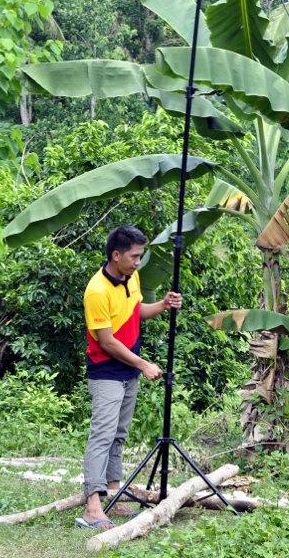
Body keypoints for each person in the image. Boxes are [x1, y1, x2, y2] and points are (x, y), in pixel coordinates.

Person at [75, 225, 182, 530]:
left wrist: (162, 305)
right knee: (102, 436)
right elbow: (106, 341)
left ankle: (113, 495)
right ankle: (93, 507)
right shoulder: (97, 290)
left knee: (118, 436)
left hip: (128, 371)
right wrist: (143, 363)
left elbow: (135, 312)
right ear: (116, 254)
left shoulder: (130, 278)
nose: (138, 262)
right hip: (106, 372)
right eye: (134, 256)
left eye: (141, 256)